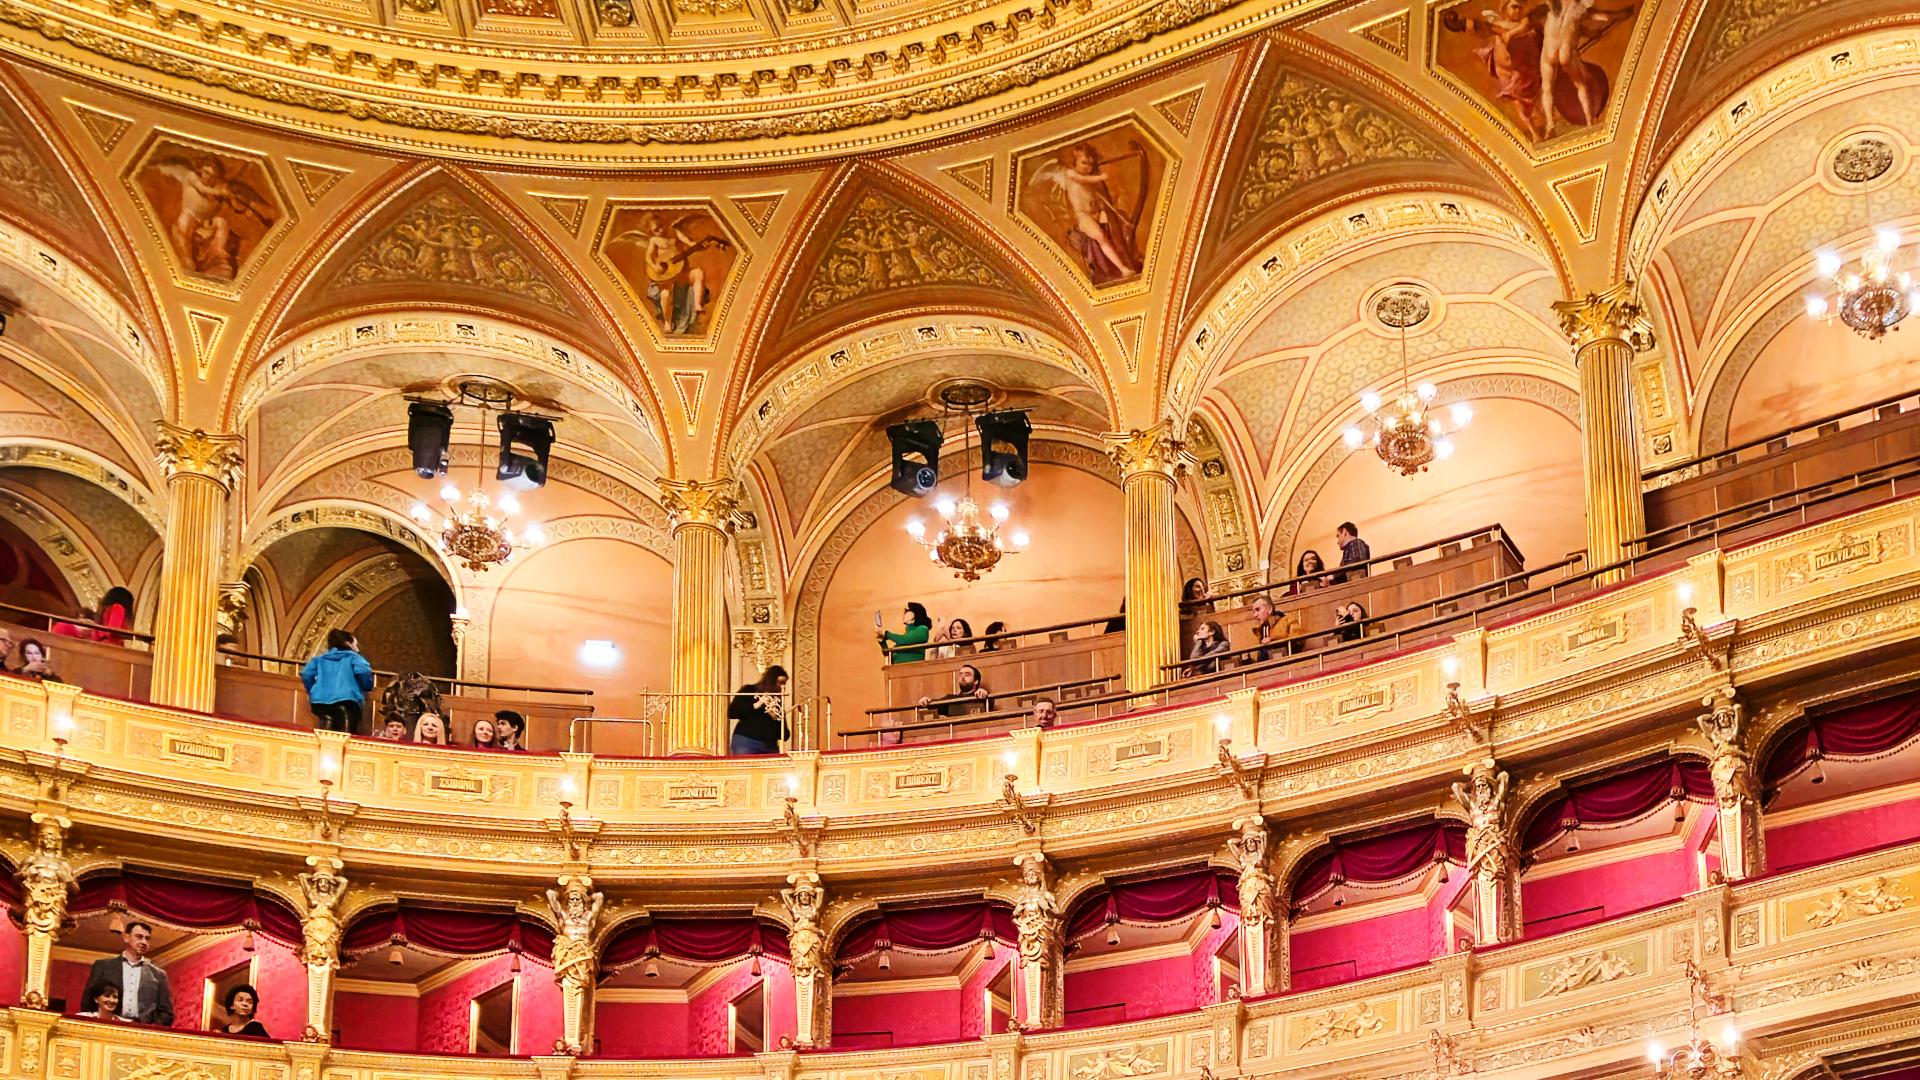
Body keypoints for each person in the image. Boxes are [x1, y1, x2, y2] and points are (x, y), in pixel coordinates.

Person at [85, 920, 173, 1026]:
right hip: (107, 1027)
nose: (144, 942)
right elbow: (87, 1001)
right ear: (126, 937)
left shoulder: (158, 975)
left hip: (142, 1033)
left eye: (147, 939)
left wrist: (150, 1029)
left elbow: (166, 1013)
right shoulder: (103, 966)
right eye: (139, 937)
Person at [300, 629, 373, 735]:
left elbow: (306, 674)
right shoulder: (354, 657)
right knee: (346, 736)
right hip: (347, 701)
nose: (357, 649)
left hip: (320, 702)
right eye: (355, 645)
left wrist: (313, 690)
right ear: (348, 644)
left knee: (325, 731)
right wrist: (367, 685)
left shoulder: (319, 659)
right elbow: (363, 671)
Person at [728, 665, 790, 756]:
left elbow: (784, 735)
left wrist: (776, 718)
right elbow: (732, 712)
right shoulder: (749, 690)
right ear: (771, 680)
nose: (782, 687)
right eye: (780, 682)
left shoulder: (777, 703)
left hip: (769, 746)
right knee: (745, 768)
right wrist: (757, 704)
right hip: (747, 741)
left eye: (784, 683)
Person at [918, 664, 991, 716]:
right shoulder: (951, 699)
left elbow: (990, 704)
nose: (962, 677)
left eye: (967, 674)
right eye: (961, 674)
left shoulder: (982, 697)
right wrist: (927, 701)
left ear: (976, 681)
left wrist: (985, 695)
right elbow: (935, 705)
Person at [1248, 595, 1298, 663]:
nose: (1255, 615)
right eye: (1254, 612)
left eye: (1258, 610)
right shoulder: (1260, 631)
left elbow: (1298, 640)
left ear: (1269, 609)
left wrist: (1274, 639)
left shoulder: (1287, 620)